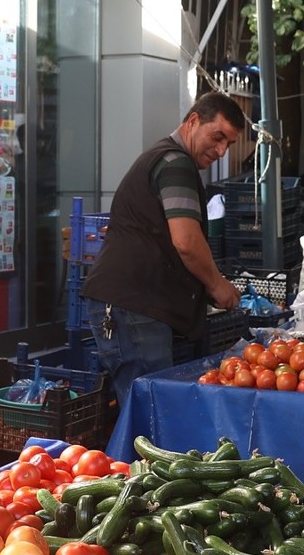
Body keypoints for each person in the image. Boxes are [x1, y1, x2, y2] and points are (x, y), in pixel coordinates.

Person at [81, 92, 243, 404]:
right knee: (152, 411)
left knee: (147, 408)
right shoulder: (175, 163)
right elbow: (187, 241)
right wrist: (216, 284)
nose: (222, 150)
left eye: (229, 144)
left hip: (135, 305)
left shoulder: (168, 159)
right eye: (218, 137)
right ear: (193, 121)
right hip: (134, 305)